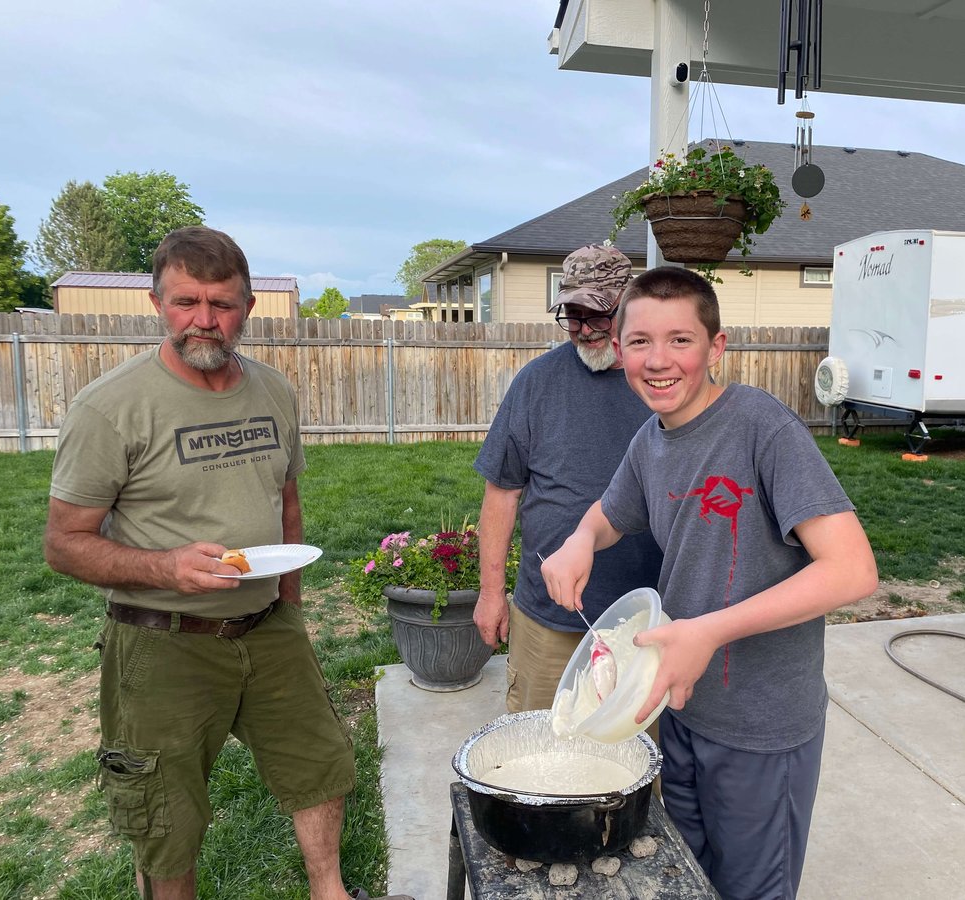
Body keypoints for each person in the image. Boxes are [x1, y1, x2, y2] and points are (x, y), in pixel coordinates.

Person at [42, 226, 407, 900]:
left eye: (223, 303)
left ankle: (330, 889)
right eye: (186, 302)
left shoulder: (271, 391)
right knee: (165, 812)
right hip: (163, 640)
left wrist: (290, 608)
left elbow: (286, 502)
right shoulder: (110, 408)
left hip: (268, 626)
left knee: (320, 765)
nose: (204, 320)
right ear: (156, 302)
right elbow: (63, 543)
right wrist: (165, 567)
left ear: (248, 307)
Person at [541, 266, 879, 900]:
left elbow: (853, 570)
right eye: (639, 341)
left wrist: (710, 630)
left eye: (680, 340)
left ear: (715, 347)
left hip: (762, 723)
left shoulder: (763, 428)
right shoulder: (652, 441)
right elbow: (608, 515)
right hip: (684, 707)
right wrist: (578, 541)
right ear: (619, 351)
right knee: (691, 878)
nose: (658, 360)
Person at [473, 244, 663, 713]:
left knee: (637, 760)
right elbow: (501, 494)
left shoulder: (663, 384)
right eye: (572, 315)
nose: (582, 330)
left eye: (597, 316)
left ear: (628, 306)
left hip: (649, 615)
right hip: (548, 618)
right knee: (540, 754)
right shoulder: (536, 382)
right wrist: (491, 594)